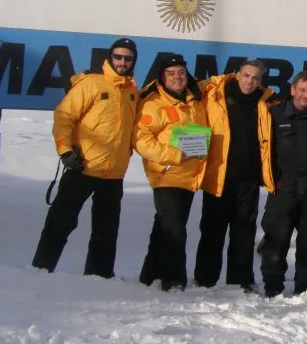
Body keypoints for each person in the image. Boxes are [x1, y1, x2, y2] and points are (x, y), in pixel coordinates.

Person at [32, 38, 139, 278]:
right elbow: (64, 116)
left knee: (106, 231)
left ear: (134, 61)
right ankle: (40, 270)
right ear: (110, 58)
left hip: (114, 174)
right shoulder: (91, 83)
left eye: (128, 58)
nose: (122, 62)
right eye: (118, 57)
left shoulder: (133, 91)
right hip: (82, 167)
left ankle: (99, 277)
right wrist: (65, 151)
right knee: (61, 223)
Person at [194, 60, 276, 292]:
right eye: (246, 75)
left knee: (244, 232)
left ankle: (241, 280)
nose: (250, 81)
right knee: (212, 231)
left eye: (255, 78)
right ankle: (205, 279)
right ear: (237, 74)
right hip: (219, 175)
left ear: (261, 81)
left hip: (249, 178)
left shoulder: (265, 101)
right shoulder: (214, 94)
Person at [135, 54, 208, 291]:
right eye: (172, 73)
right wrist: (174, 156)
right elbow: (142, 140)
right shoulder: (153, 103)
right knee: (175, 229)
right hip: (166, 175)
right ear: (162, 76)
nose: (177, 77)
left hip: (188, 177)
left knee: (165, 226)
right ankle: (174, 280)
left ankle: (150, 273)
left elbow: (214, 83)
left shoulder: (194, 99)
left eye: (181, 73)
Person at [259, 71, 307, 298]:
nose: (306, 95)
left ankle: (306, 287)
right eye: (302, 90)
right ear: (292, 90)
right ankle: (273, 285)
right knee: (276, 238)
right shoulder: (276, 114)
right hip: (283, 186)